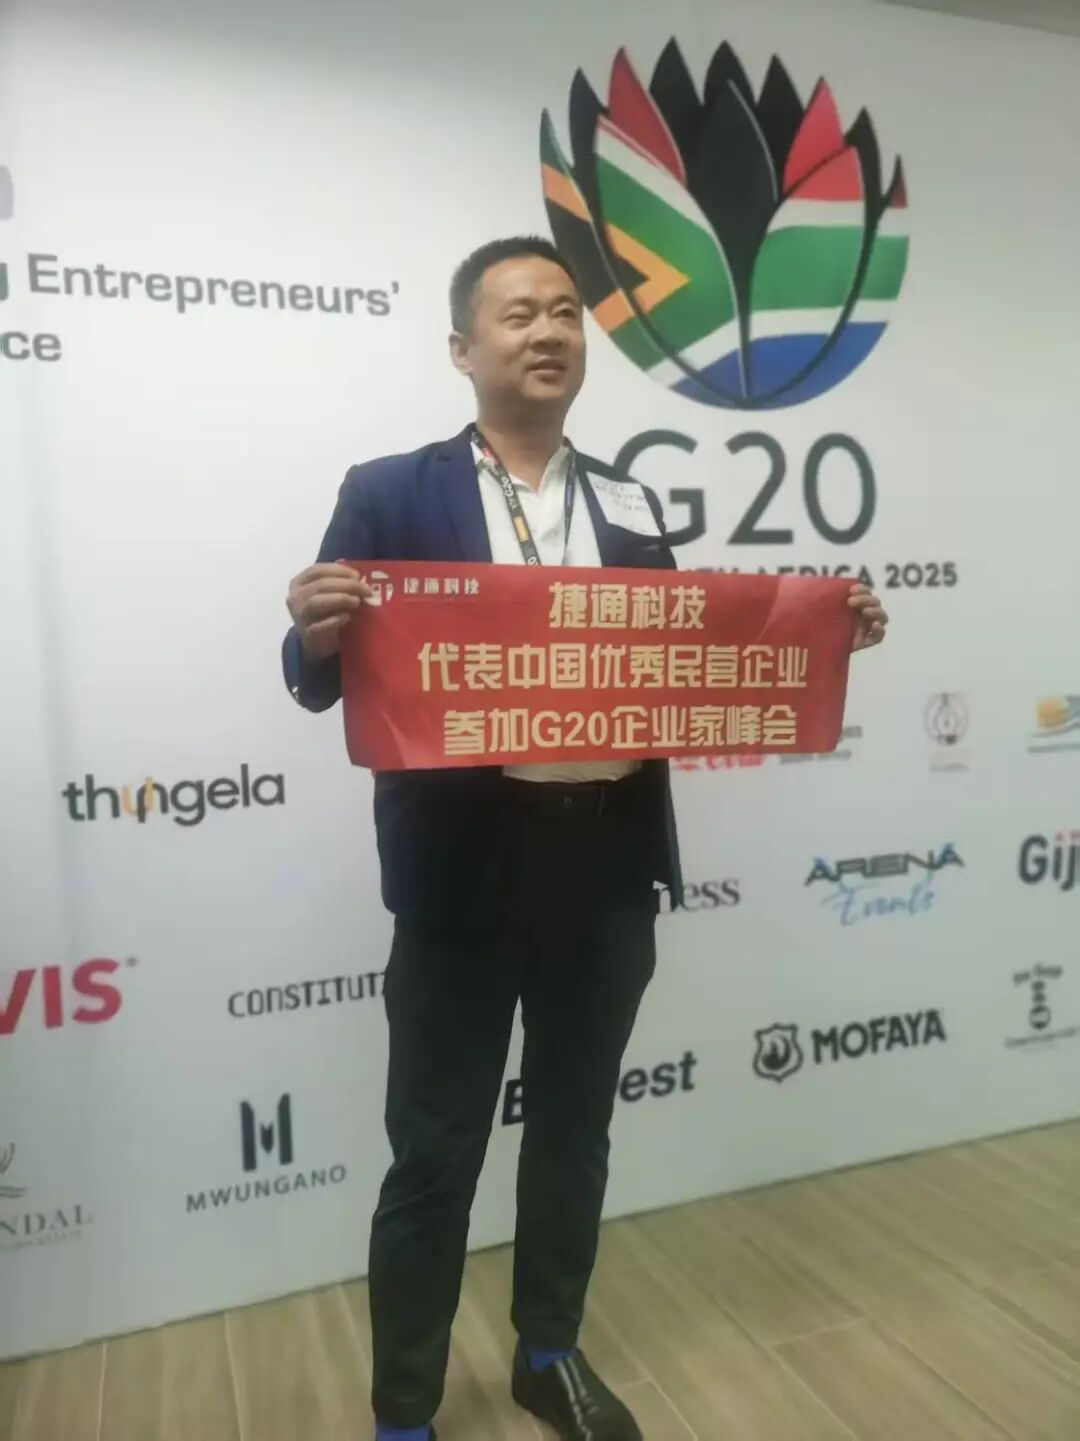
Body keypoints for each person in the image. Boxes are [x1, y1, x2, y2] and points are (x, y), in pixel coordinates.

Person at [282, 236, 888, 1441]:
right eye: (519, 313)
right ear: (463, 347)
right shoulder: (391, 491)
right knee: (436, 1151)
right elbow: (318, 679)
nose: (549, 331)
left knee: (573, 1129)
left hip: (606, 865)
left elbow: (679, 662)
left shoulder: (632, 499)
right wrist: (312, 629)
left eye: (566, 311)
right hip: (463, 869)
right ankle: (404, 1408)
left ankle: (547, 1352)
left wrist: (822, 635)